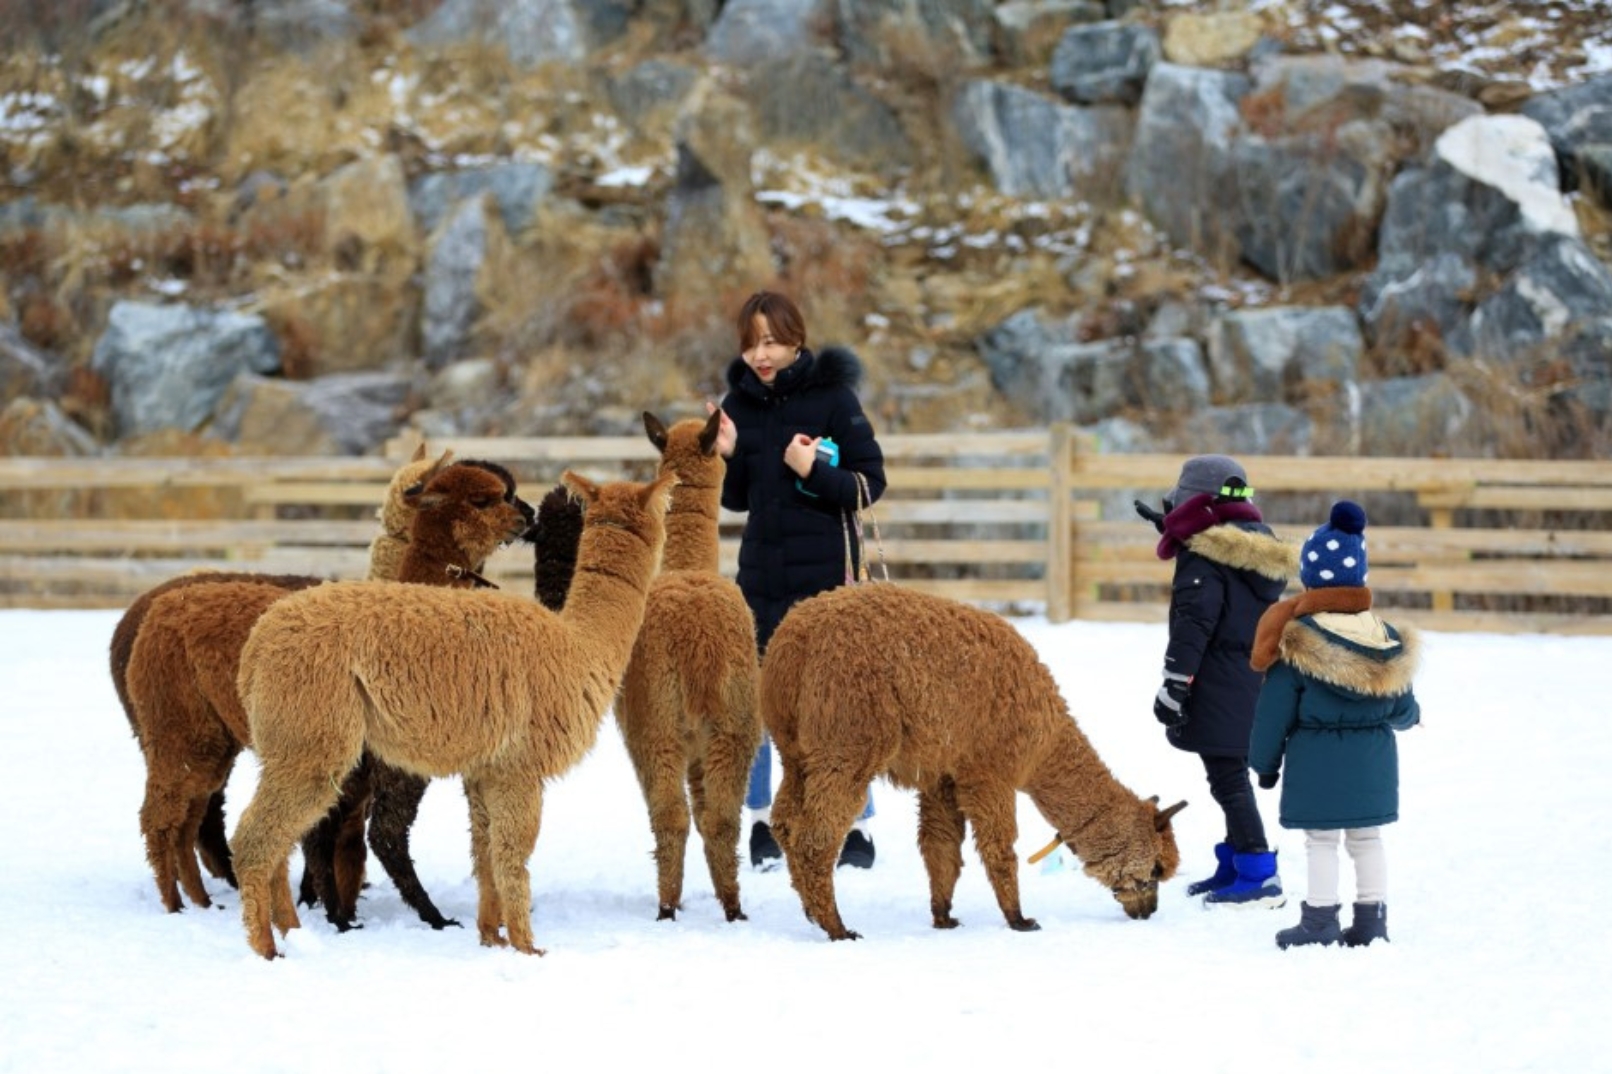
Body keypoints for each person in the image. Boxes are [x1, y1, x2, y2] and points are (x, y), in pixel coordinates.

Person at [707, 290, 887, 871]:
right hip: (760, 573)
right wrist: (728, 455)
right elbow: (737, 501)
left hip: (826, 578)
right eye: (751, 342)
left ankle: (853, 825)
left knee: (833, 701)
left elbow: (869, 484)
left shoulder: (833, 397)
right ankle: (763, 823)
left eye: (771, 341)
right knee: (761, 698)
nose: (761, 354)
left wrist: (815, 471)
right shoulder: (740, 402)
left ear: (795, 339)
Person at [1248, 500, 1421, 949]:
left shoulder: (1298, 642)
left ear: (1309, 577)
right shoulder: (1383, 637)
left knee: (1321, 842)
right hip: (1372, 766)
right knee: (1367, 840)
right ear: (1359, 576)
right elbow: (1404, 710)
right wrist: (1411, 716)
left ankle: (1320, 920)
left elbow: (1273, 714)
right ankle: (1372, 920)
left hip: (1316, 767)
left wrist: (1264, 765)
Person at [1135, 454, 1293, 907]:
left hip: (1217, 679)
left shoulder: (1204, 555)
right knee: (1229, 773)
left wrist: (1175, 682)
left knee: (1227, 780)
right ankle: (1235, 863)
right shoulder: (1251, 549)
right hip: (1250, 677)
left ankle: (1259, 872)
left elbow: (1194, 623)